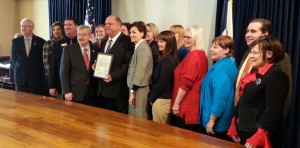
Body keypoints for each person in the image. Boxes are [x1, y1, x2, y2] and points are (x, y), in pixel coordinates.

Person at [227, 36, 289, 148]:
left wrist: (261, 134)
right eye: (251, 52)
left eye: (255, 53)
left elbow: (273, 110)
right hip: (245, 131)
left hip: (259, 136)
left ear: (269, 54)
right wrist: (234, 122)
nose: (251, 56)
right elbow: (243, 101)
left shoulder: (276, 75)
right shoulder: (254, 74)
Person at [234, 19, 292, 121]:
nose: (247, 34)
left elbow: (283, 96)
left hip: (261, 123)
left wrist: (271, 125)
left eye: (253, 31)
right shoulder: (247, 55)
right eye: (247, 31)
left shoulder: (281, 57)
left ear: (265, 34)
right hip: (242, 119)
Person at [198, 36, 237, 141]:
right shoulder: (228, 64)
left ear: (226, 50)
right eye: (211, 47)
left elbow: (220, 97)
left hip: (216, 124)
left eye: (215, 47)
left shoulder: (222, 68)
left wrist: (212, 120)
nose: (211, 49)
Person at [171, 26, 208, 132]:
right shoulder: (201, 54)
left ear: (197, 38)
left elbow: (186, 83)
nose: (185, 39)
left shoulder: (194, 55)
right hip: (189, 104)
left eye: (189, 37)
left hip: (186, 106)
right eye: (185, 37)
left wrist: (176, 103)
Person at [98, 15, 134, 113]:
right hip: (103, 89)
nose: (107, 26)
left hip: (118, 90)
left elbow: (128, 64)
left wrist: (113, 76)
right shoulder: (104, 41)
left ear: (119, 26)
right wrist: (96, 65)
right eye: (105, 24)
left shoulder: (127, 41)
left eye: (110, 24)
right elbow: (103, 60)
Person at [60, 25, 98, 105]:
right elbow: (64, 72)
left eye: (84, 34)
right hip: (75, 92)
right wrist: (67, 91)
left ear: (90, 35)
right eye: (79, 34)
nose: (80, 37)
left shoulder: (96, 49)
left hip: (92, 92)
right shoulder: (68, 49)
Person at [10, 18, 46, 95]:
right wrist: (19, 70)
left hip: (36, 80)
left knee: (35, 104)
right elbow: (12, 60)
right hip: (20, 80)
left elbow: (42, 61)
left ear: (32, 28)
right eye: (22, 26)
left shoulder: (41, 42)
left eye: (26, 26)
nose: (23, 28)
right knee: (20, 104)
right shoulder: (16, 41)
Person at [148, 30, 178, 124]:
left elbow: (162, 82)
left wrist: (151, 97)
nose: (158, 44)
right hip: (163, 100)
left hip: (162, 101)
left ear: (169, 43)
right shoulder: (167, 58)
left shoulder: (168, 60)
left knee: (158, 133)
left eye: (162, 41)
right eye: (158, 41)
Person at [127, 21, 153, 119]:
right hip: (136, 89)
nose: (131, 35)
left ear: (142, 33)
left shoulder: (142, 48)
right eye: (130, 32)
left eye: (134, 32)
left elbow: (139, 72)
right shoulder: (139, 47)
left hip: (139, 91)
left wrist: (133, 93)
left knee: (138, 121)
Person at [49, 17, 78, 99]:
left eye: (69, 24)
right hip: (62, 85)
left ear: (76, 26)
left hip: (79, 87)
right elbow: (53, 66)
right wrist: (52, 85)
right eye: (65, 25)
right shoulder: (58, 44)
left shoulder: (82, 42)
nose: (67, 27)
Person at [43, 21, 64, 96]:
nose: (56, 31)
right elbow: (46, 63)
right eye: (54, 30)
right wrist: (53, 76)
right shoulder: (48, 43)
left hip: (63, 76)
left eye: (58, 29)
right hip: (52, 77)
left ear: (62, 30)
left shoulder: (66, 42)